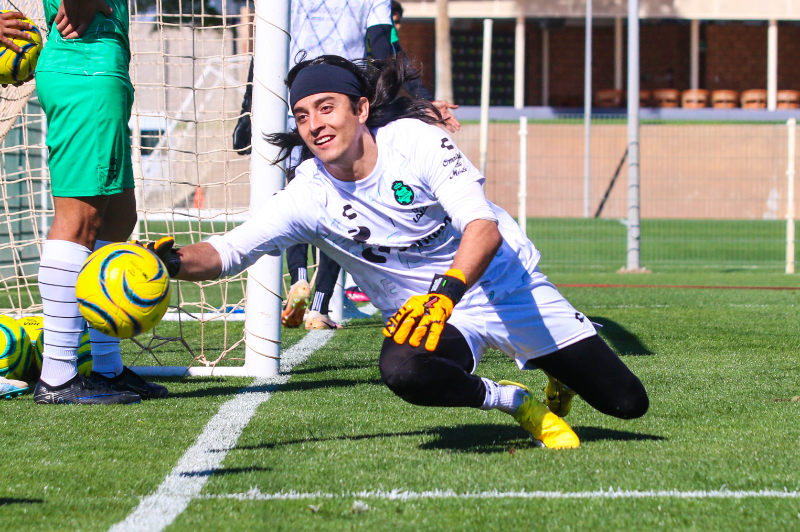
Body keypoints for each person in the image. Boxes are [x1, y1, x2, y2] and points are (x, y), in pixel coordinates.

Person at [154, 54, 649, 448]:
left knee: (627, 403)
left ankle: (555, 369)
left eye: (327, 107)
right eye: (303, 115)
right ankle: (516, 402)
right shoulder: (306, 194)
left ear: (362, 110)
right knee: (404, 370)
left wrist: (445, 294)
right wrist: (168, 262)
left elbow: (483, 228)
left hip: (500, 284)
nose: (314, 125)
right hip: (431, 315)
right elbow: (227, 251)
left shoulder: (415, 143)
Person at [232, 0, 459, 330]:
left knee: (297, 199)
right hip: (340, 107)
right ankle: (319, 307)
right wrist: (421, 97)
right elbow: (384, 46)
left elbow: (264, 52)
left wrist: (246, 109)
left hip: (295, 109)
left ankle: (297, 277)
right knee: (342, 209)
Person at [25, 0, 167, 404]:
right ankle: (57, 377)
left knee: (119, 219)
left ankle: (106, 370)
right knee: (79, 220)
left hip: (99, 66)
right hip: (84, 65)